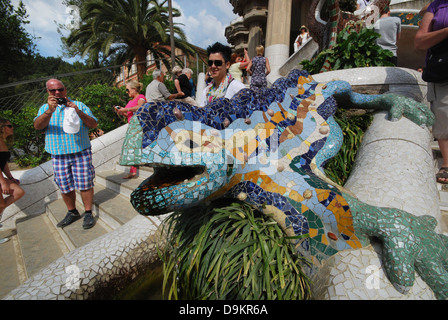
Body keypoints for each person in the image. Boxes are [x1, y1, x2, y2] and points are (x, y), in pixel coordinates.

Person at [34, 79, 98, 229]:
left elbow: (93, 124)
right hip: (58, 154)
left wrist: (78, 111)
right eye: (53, 91)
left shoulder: (79, 105)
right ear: (48, 92)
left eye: (60, 89)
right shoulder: (44, 108)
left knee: (85, 182)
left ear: (65, 90)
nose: (57, 93)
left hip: (80, 152)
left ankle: (88, 212)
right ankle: (72, 211)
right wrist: (49, 111)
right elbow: (38, 126)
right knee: (64, 185)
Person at [415, 0, 448, 184]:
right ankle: (447, 164)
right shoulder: (437, 6)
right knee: (443, 113)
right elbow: (419, 41)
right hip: (443, 71)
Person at [114, 80, 146, 179]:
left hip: (139, 126)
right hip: (132, 126)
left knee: (132, 147)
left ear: (134, 89)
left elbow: (140, 107)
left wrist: (126, 109)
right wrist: (121, 111)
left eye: (128, 90)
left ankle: (133, 171)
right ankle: (132, 171)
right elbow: (128, 114)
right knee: (131, 147)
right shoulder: (130, 101)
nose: (127, 92)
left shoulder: (141, 97)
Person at [0, 119, 25, 243]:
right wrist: (3, 182)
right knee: (1, 204)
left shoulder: (3, 142)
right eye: (9, 126)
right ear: (2, 127)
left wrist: (10, 178)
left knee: (18, 192)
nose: (12, 128)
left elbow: (3, 163)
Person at [199, 42, 246, 107]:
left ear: (227, 65)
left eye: (218, 63)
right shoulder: (206, 91)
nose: (213, 66)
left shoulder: (237, 88)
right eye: (210, 63)